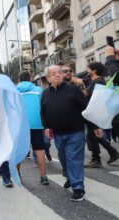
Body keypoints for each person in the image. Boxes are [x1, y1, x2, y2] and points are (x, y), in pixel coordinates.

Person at [41, 65, 91, 202]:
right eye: (53, 73)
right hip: (57, 134)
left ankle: (78, 187)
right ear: (48, 78)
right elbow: (44, 112)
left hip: (75, 131)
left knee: (73, 158)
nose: (57, 75)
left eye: (60, 72)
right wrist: (46, 126)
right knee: (63, 158)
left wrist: (95, 127)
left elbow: (86, 108)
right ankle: (70, 177)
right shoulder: (45, 93)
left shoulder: (73, 90)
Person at [81, 62, 119, 168]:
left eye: (88, 69)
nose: (86, 71)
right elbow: (77, 80)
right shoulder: (93, 81)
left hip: (95, 112)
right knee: (94, 136)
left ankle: (97, 159)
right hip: (93, 112)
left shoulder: (97, 82)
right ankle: (112, 153)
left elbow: (85, 94)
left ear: (94, 70)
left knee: (93, 136)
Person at [17, 71, 49, 185]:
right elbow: (44, 106)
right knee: (39, 150)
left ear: (19, 79)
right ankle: (43, 176)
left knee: (19, 152)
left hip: (20, 126)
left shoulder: (14, 91)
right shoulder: (38, 90)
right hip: (37, 124)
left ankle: (18, 176)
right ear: (30, 78)